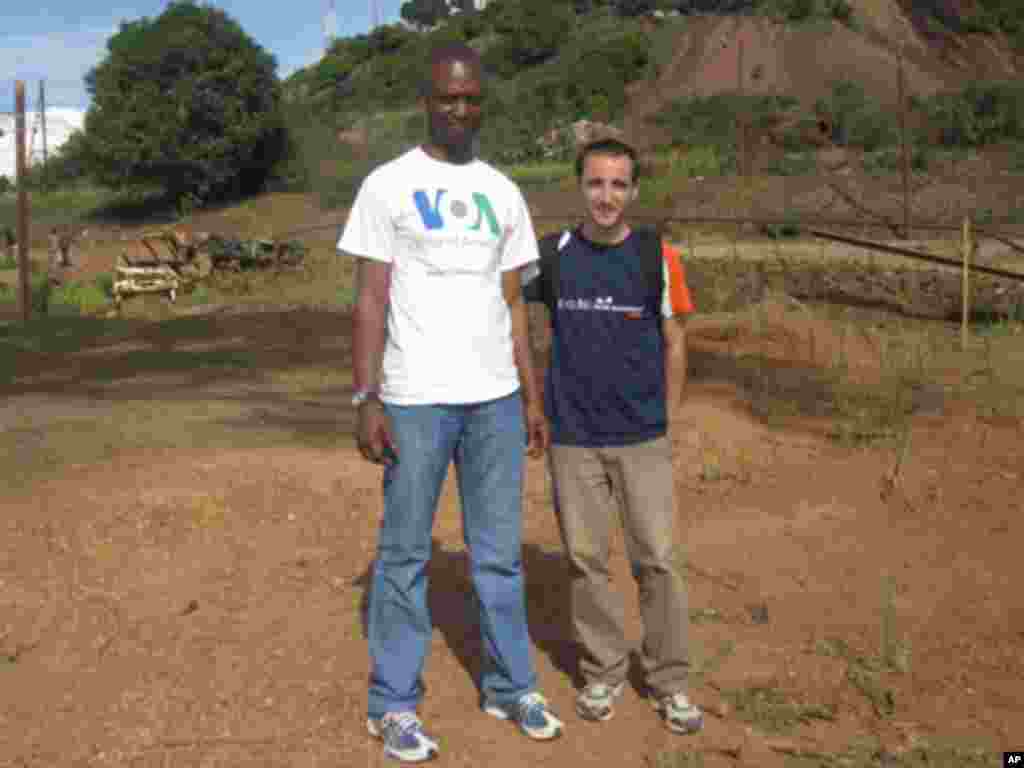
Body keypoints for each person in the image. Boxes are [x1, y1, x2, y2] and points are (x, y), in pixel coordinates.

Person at [337, 42, 563, 764]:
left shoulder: (503, 192)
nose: (459, 109)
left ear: (480, 104)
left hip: (495, 401)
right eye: (447, 98)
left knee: (497, 556)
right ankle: (393, 703)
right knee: (404, 554)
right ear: (426, 102)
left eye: (470, 99)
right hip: (415, 401)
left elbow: (514, 306)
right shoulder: (387, 185)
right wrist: (367, 395)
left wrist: (532, 395)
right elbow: (370, 297)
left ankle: (509, 684)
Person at [522, 137, 703, 735]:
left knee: (657, 560)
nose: (607, 196)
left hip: (641, 435)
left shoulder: (657, 256)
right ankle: (602, 670)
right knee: (585, 560)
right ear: (581, 187)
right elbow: (513, 315)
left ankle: (670, 680)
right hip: (573, 435)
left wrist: (670, 418)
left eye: (619, 185)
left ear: (634, 191)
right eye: (596, 183)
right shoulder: (552, 255)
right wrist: (531, 401)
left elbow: (677, 338)